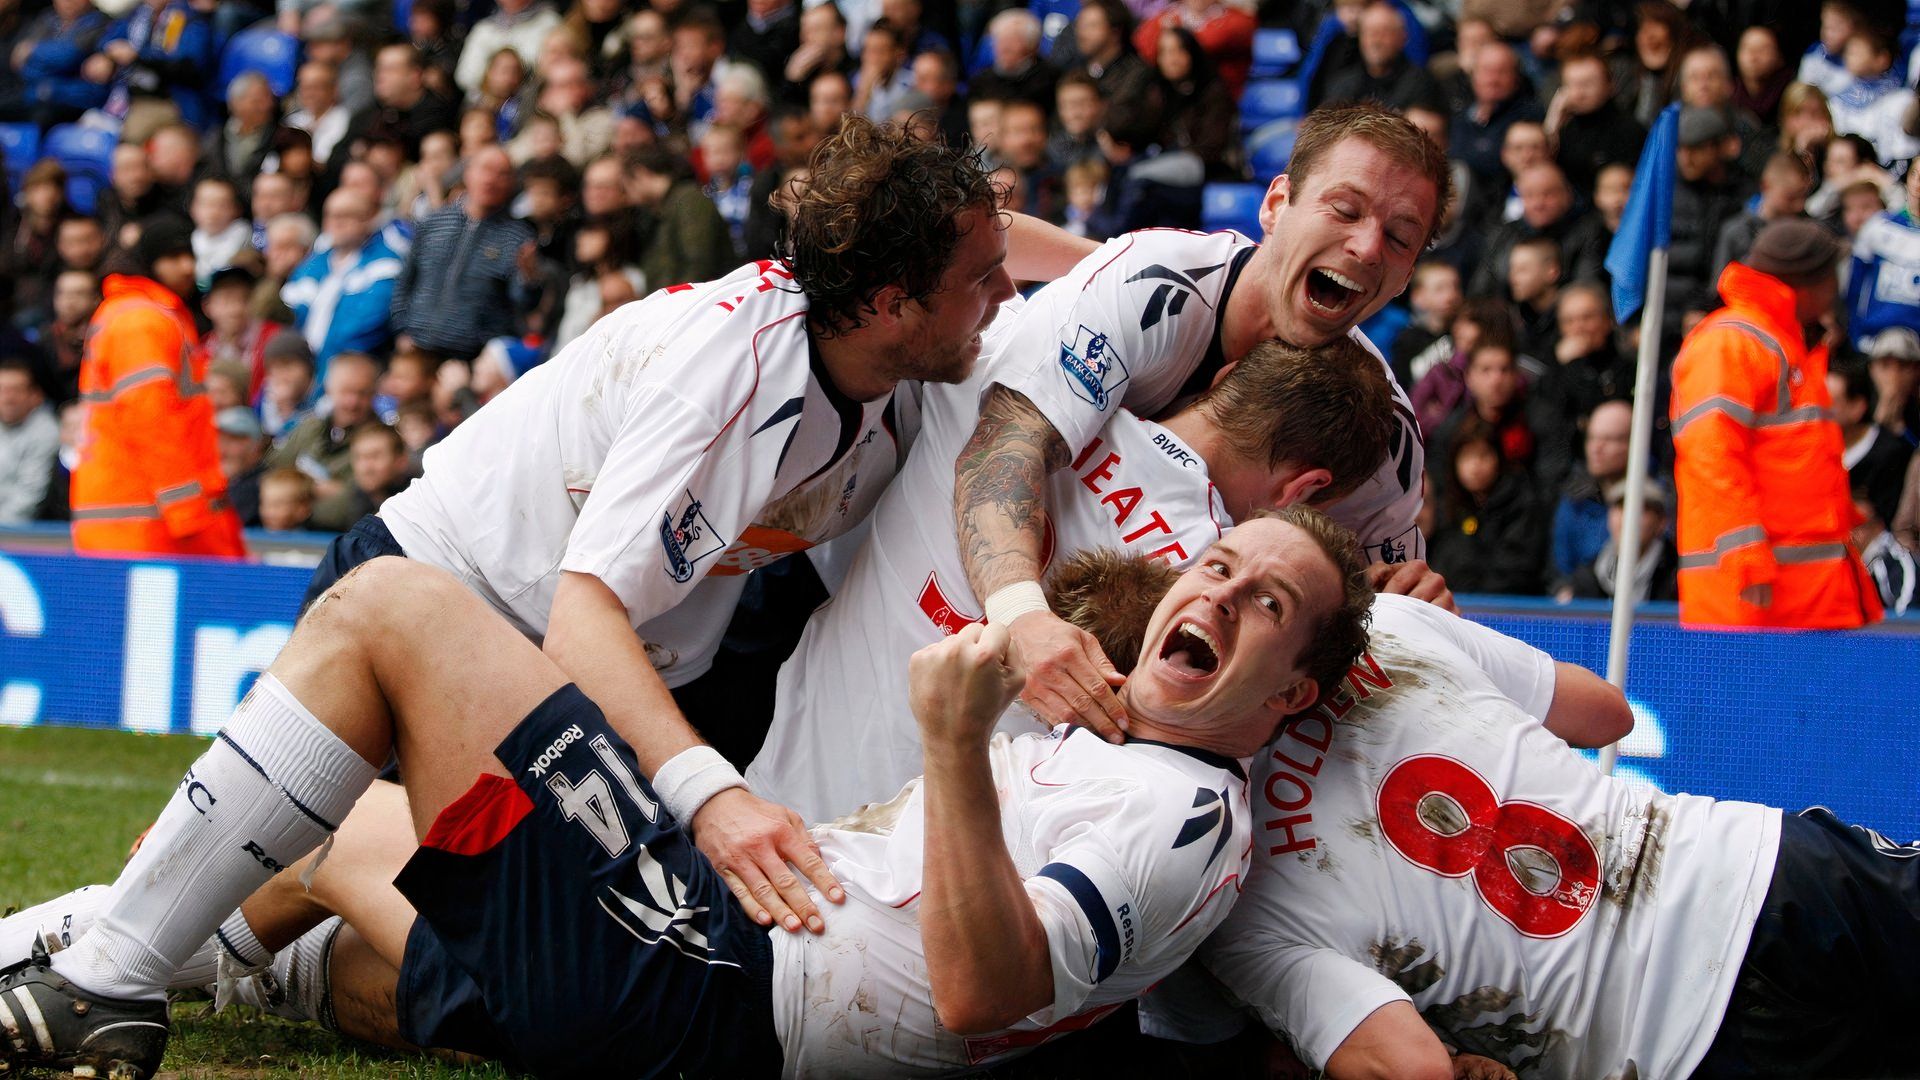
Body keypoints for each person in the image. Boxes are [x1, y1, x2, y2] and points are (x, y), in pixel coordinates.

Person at [0, 509, 1368, 1080]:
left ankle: (109, 972)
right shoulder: (1125, 750)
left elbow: (981, 993)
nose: (1219, 593)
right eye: (1217, 567)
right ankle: (127, 958)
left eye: (1268, 604)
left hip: (705, 967)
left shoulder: (1189, 815)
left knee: (392, 608)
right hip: (689, 966)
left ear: (1293, 694)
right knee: (361, 872)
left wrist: (953, 750)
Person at [299, 118, 1077, 937]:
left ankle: (270, 920)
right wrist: (713, 797)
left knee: (591, 954)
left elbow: (976, 234)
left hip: (600, 660)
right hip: (443, 600)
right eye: (985, 280)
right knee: (520, 961)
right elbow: (584, 615)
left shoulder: (887, 354)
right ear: (892, 303)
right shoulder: (737, 375)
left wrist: (1115, 263)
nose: (1008, 296)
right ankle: (276, 889)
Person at [1124, 547, 1920, 1078]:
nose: (1220, 593)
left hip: (1676, 1048)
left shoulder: (1231, 899)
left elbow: (1413, 1070)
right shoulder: (1393, 628)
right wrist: (1450, 646)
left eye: (1252, 588)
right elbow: (1606, 714)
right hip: (1752, 873)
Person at [950, 102, 1450, 741]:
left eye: (1401, 237)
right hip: (951, 558)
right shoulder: (1150, 285)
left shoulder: (1384, 442)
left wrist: (1410, 608)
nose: (1367, 245)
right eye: (1344, 210)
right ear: (1275, 205)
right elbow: (1004, 449)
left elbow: (1367, 624)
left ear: (1408, 272)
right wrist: (1021, 616)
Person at [752, 335, 1399, 821]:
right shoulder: (1214, 584)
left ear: (1224, 379)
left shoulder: (1015, 372)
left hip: (765, 796)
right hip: (896, 878)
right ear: (1305, 491)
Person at [1670, 217, 1880, 628]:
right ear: (1810, 281)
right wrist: (1743, 554)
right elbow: (1711, 456)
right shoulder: (1733, 341)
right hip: (1757, 595)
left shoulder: (1781, 341)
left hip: (1801, 595)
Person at [71, 218, 244, 558]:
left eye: (189, 256)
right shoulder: (142, 321)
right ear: (148, 261)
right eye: (173, 257)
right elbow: (151, 420)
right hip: (146, 520)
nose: (186, 267)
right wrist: (187, 511)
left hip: (132, 514)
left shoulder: (136, 315)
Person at [390, 147, 535, 363]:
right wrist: (401, 329)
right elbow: (405, 280)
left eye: (502, 174)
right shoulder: (434, 221)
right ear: (468, 173)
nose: (491, 179)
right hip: (413, 348)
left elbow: (520, 305)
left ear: (512, 183)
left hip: (469, 358)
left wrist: (529, 278)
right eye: (485, 169)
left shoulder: (517, 237)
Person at [283, 190, 405, 378]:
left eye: (346, 216)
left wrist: (318, 369)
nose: (336, 223)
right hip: (301, 369)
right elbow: (287, 312)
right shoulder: (313, 264)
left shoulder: (385, 265)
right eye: (331, 216)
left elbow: (364, 328)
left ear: (368, 219)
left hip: (352, 369)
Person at [1845, 159, 1920, 352]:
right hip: (1875, 341)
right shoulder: (1878, 227)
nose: (1918, 182)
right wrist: (1856, 334)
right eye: (1914, 174)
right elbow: (1855, 286)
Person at [0, 357, 59, 525]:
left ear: (35, 396)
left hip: (24, 535)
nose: (8, 399)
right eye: (2, 390)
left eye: (16, 390)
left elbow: (29, 496)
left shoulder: (46, 431)